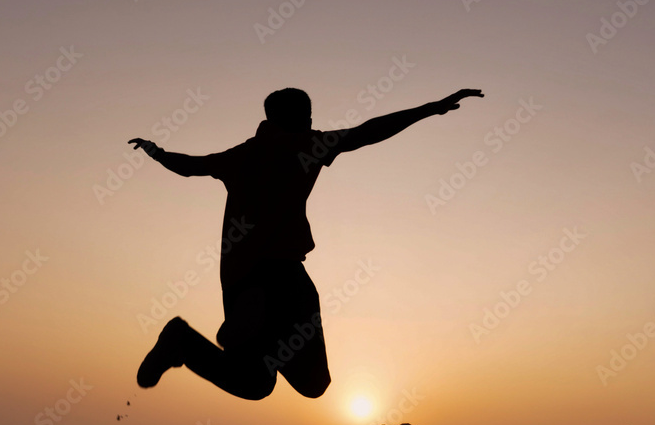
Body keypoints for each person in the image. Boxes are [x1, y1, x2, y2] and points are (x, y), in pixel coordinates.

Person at [130, 87, 484, 400]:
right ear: (300, 118)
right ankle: (253, 333)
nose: (313, 122)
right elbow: (368, 132)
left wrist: (156, 152)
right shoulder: (309, 145)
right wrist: (430, 109)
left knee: (256, 384)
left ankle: (203, 339)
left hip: (240, 282)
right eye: (310, 116)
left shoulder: (240, 156)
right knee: (314, 385)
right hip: (285, 278)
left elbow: (191, 166)